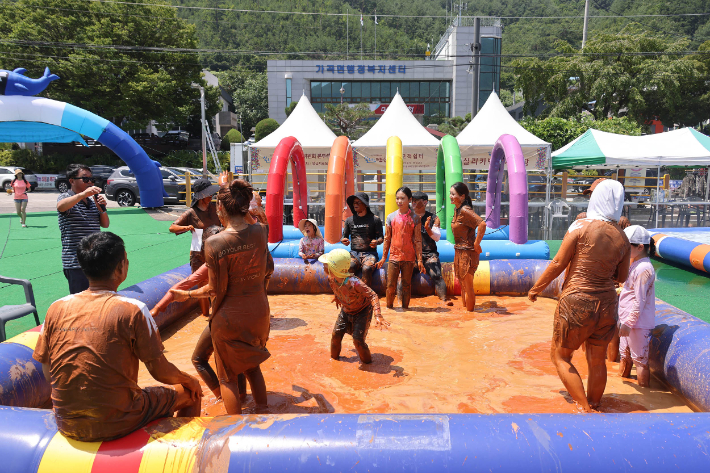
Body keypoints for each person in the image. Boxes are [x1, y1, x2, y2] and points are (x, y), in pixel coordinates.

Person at [32, 232, 202, 442]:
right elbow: (161, 372)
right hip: (118, 419)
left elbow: (49, 374)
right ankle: (184, 451)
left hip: (66, 421)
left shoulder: (55, 308)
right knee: (191, 392)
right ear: (121, 267)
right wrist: (190, 380)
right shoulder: (133, 309)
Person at [171, 178, 274, 415]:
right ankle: (264, 415)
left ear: (219, 208)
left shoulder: (215, 242)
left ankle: (234, 429)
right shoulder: (260, 232)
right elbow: (268, 267)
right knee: (252, 366)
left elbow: (213, 290)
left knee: (226, 376)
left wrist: (185, 294)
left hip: (229, 316)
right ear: (245, 206)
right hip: (259, 312)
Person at [528, 180, 631, 412]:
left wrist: (536, 288)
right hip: (606, 305)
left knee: (560, 357)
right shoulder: (623, 238)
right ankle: (595, 404)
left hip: (576, 301)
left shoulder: (580, 226)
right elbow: (621, 277)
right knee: (597, 361)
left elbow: (558, 262)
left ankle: (584, 408)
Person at [320, 249, 389, 364]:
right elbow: (336, 288)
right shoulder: (331, 279)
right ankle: (333, 362)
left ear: (335, 269)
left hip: (362, 311)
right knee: (336, 335)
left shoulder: (354, 283)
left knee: (358, 341)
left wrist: (378, 315)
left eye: (326, 264)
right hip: (346, 310)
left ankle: (368, 365)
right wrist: (338, 297)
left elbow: (373, 295)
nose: (323, 266)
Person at [169, 177, 220, 318]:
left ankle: (217, 314)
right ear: (201, 196)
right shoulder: (191, 213)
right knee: (202, 283)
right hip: (199, 252)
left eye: (211, 194)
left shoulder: (215, 208)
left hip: (216, 251)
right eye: (208, 194)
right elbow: (172, 227)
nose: (211, 196)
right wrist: (186, 227)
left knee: (218, 282)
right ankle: (205, 315)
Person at [57, 164, 110, 294]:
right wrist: (83, 194)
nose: (90, 182)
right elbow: (61, 206)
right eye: (85, 179)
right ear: (71, 180)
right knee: (81, 301)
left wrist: (101, 208)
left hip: (95, 259)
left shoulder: (92, 202)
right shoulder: (66, 197)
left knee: (98, 298)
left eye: (92, 179)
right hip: (76, 262)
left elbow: (105, 224)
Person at [618, 225, 656, 388]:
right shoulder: (635, 263)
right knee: (625, 355)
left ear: (640, 247)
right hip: (628, 320)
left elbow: (640, 301)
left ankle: (644, 396)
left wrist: (628, 324)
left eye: (627, 247)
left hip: (636, 324)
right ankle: (621, 384)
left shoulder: (643, 269)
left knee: (640, 360)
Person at [376, 187, 424, 310]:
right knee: (390, 285)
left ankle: (405, 309)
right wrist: (383, 258)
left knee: (406, 285)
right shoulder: (391, 217)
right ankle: (389, 308)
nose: (399, 201)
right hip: (393, 256)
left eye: (402, 198)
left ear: (409, 200)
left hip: (409, 257)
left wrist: (420, 260)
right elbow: (387, 238)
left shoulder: (415, 218)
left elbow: (418, 240)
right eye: (397, 198)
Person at [449, 182, 487, 312]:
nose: (450, 196)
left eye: (453, 194)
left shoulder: (465, 210)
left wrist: (477, 243)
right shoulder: (457, 209)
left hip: (468, 252)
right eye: (450, 193)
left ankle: (470, 317)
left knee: (468, 286)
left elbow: (482, 224)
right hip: (459, 250)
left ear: (462, 196)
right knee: (463, 284)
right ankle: (466, 313)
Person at [341, 192, 384, 288]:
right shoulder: (349, 220)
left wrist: (376, 242)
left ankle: (366, 296)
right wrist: (343, 240)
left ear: (365, 205)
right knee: (349, 267)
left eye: (358, 202)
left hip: (370, 254)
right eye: (354, 203)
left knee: (367, 268)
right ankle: (349, 293)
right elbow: (344, 237)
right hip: (354, 253)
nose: (355, 205)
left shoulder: (375, 220)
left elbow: (381, 238)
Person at [411, 191, 446, 301]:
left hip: (429, 253)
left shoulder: (433, 218)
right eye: (413, 201)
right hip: (412, 254)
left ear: (425, 202)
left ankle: (444, 300)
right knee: (404, 278)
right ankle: (399, 302)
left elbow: (437, 237)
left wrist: (428, 229)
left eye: (417, 201)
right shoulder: (407, 218)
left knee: (437, 276)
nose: (414, 203)